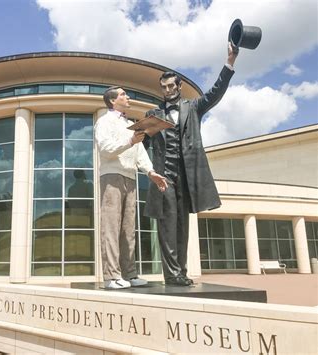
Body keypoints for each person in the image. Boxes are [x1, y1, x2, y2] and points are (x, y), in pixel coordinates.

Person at [143, 41, 239, 286]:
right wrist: (147, 169)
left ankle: (181, 272)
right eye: (163, 87)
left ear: (179, 86)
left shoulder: (193, 107)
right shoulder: (153, 115)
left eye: (170, 85)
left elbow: (215, 92)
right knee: (167, 228)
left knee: (182, 227)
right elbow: (140, 145)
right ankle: (172, 275)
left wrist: (230, 62)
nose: (167, 90)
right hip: (164, 178)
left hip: (187, 177)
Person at [95, 86, 168, 289]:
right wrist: (130, 140)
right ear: (112, 101)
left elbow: (139, 152)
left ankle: (130, 274)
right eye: (122, 95)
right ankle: (111, 277)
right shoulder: (104, 121)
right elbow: (105, 149)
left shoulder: (131, 125)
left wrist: (151, 172)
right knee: (111, 227)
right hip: (111, 176)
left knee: (129, 230)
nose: (127, 97)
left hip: (130, 177)